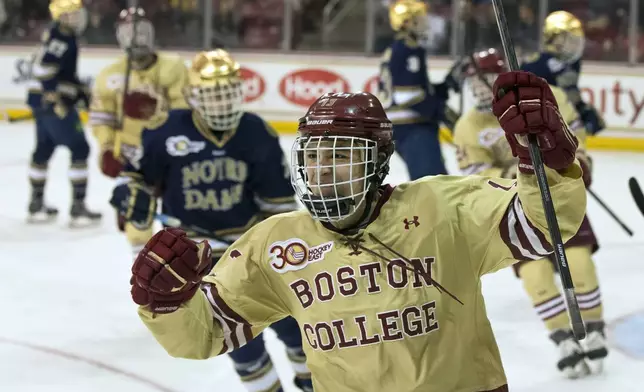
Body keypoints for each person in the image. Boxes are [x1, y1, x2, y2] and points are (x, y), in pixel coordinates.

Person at [123, 70, 588, 391]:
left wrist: (545, 159)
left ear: (378, 162)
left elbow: (542, 224)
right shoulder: (275, 243)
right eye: (313, 155)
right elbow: (208, 333)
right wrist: (166, 304)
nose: (322, 169)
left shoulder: (443, 207)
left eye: (341, 154)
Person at [109, 50, 312, 392]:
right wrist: (131, 193)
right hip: (195, 261)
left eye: (227, 95)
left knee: (299, 328)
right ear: (192, 97)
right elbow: (134, 178)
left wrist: (284, 253)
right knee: (240, 343)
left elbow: (277, 206)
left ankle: (313, 385)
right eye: (211, 96)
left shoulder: (256, 132)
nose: (220, 105)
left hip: (251, 255)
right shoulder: (166, 131)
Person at [454, 48, 608, 379]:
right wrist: (516, 174)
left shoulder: (543, 96)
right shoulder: (468, 125)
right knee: (534, 275)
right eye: (472, 84)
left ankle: (594, 327)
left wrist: (576, 163)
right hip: (516, 207)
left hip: (561, 196)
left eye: (483, 82)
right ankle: (561, 336)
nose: (477, 91)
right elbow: (478, 177)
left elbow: (575, 143)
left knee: (579, 264)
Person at [89, 6, 189, 257]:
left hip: (172, 158)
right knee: (136, 223)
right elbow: (102, 120)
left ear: (153, 34)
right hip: (131, 159)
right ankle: (144, 279)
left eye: (142, 32)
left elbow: (186, 114)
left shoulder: (174, 67)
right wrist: (107, 149)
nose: (135, 40)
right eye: (128, 34)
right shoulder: (109, 76)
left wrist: (157, 111)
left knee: (179, 225)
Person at [26, 0, 101, 227]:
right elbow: (42, 70)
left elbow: (58, 72)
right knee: (80, 148)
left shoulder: (55, 34)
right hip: (53, 106)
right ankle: (78, 208)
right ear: (61, 17)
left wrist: (79, 89)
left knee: (43, 150)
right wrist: (55, 97)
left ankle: (36, 203)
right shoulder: (62, 38)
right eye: (73, 15)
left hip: (39, 103)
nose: (78, 19)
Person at [377, 0, 461, 180]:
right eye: (420, 18)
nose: (426, 22)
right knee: (433, 186)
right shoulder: (407, 50)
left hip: (407, 126)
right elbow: (407, 96)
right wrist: (440, 110)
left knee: (436, 184)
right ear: (407, 23)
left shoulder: (400, 49)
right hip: (412, 126)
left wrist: (445, 85)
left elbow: (415, 91)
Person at [521, 10, 605, 135]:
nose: (574, 45)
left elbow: (570, 93)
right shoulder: (533, 65)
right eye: (570, 40)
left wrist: (583, 111)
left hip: (562, 117)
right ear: (553, 38)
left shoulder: (573, 63)